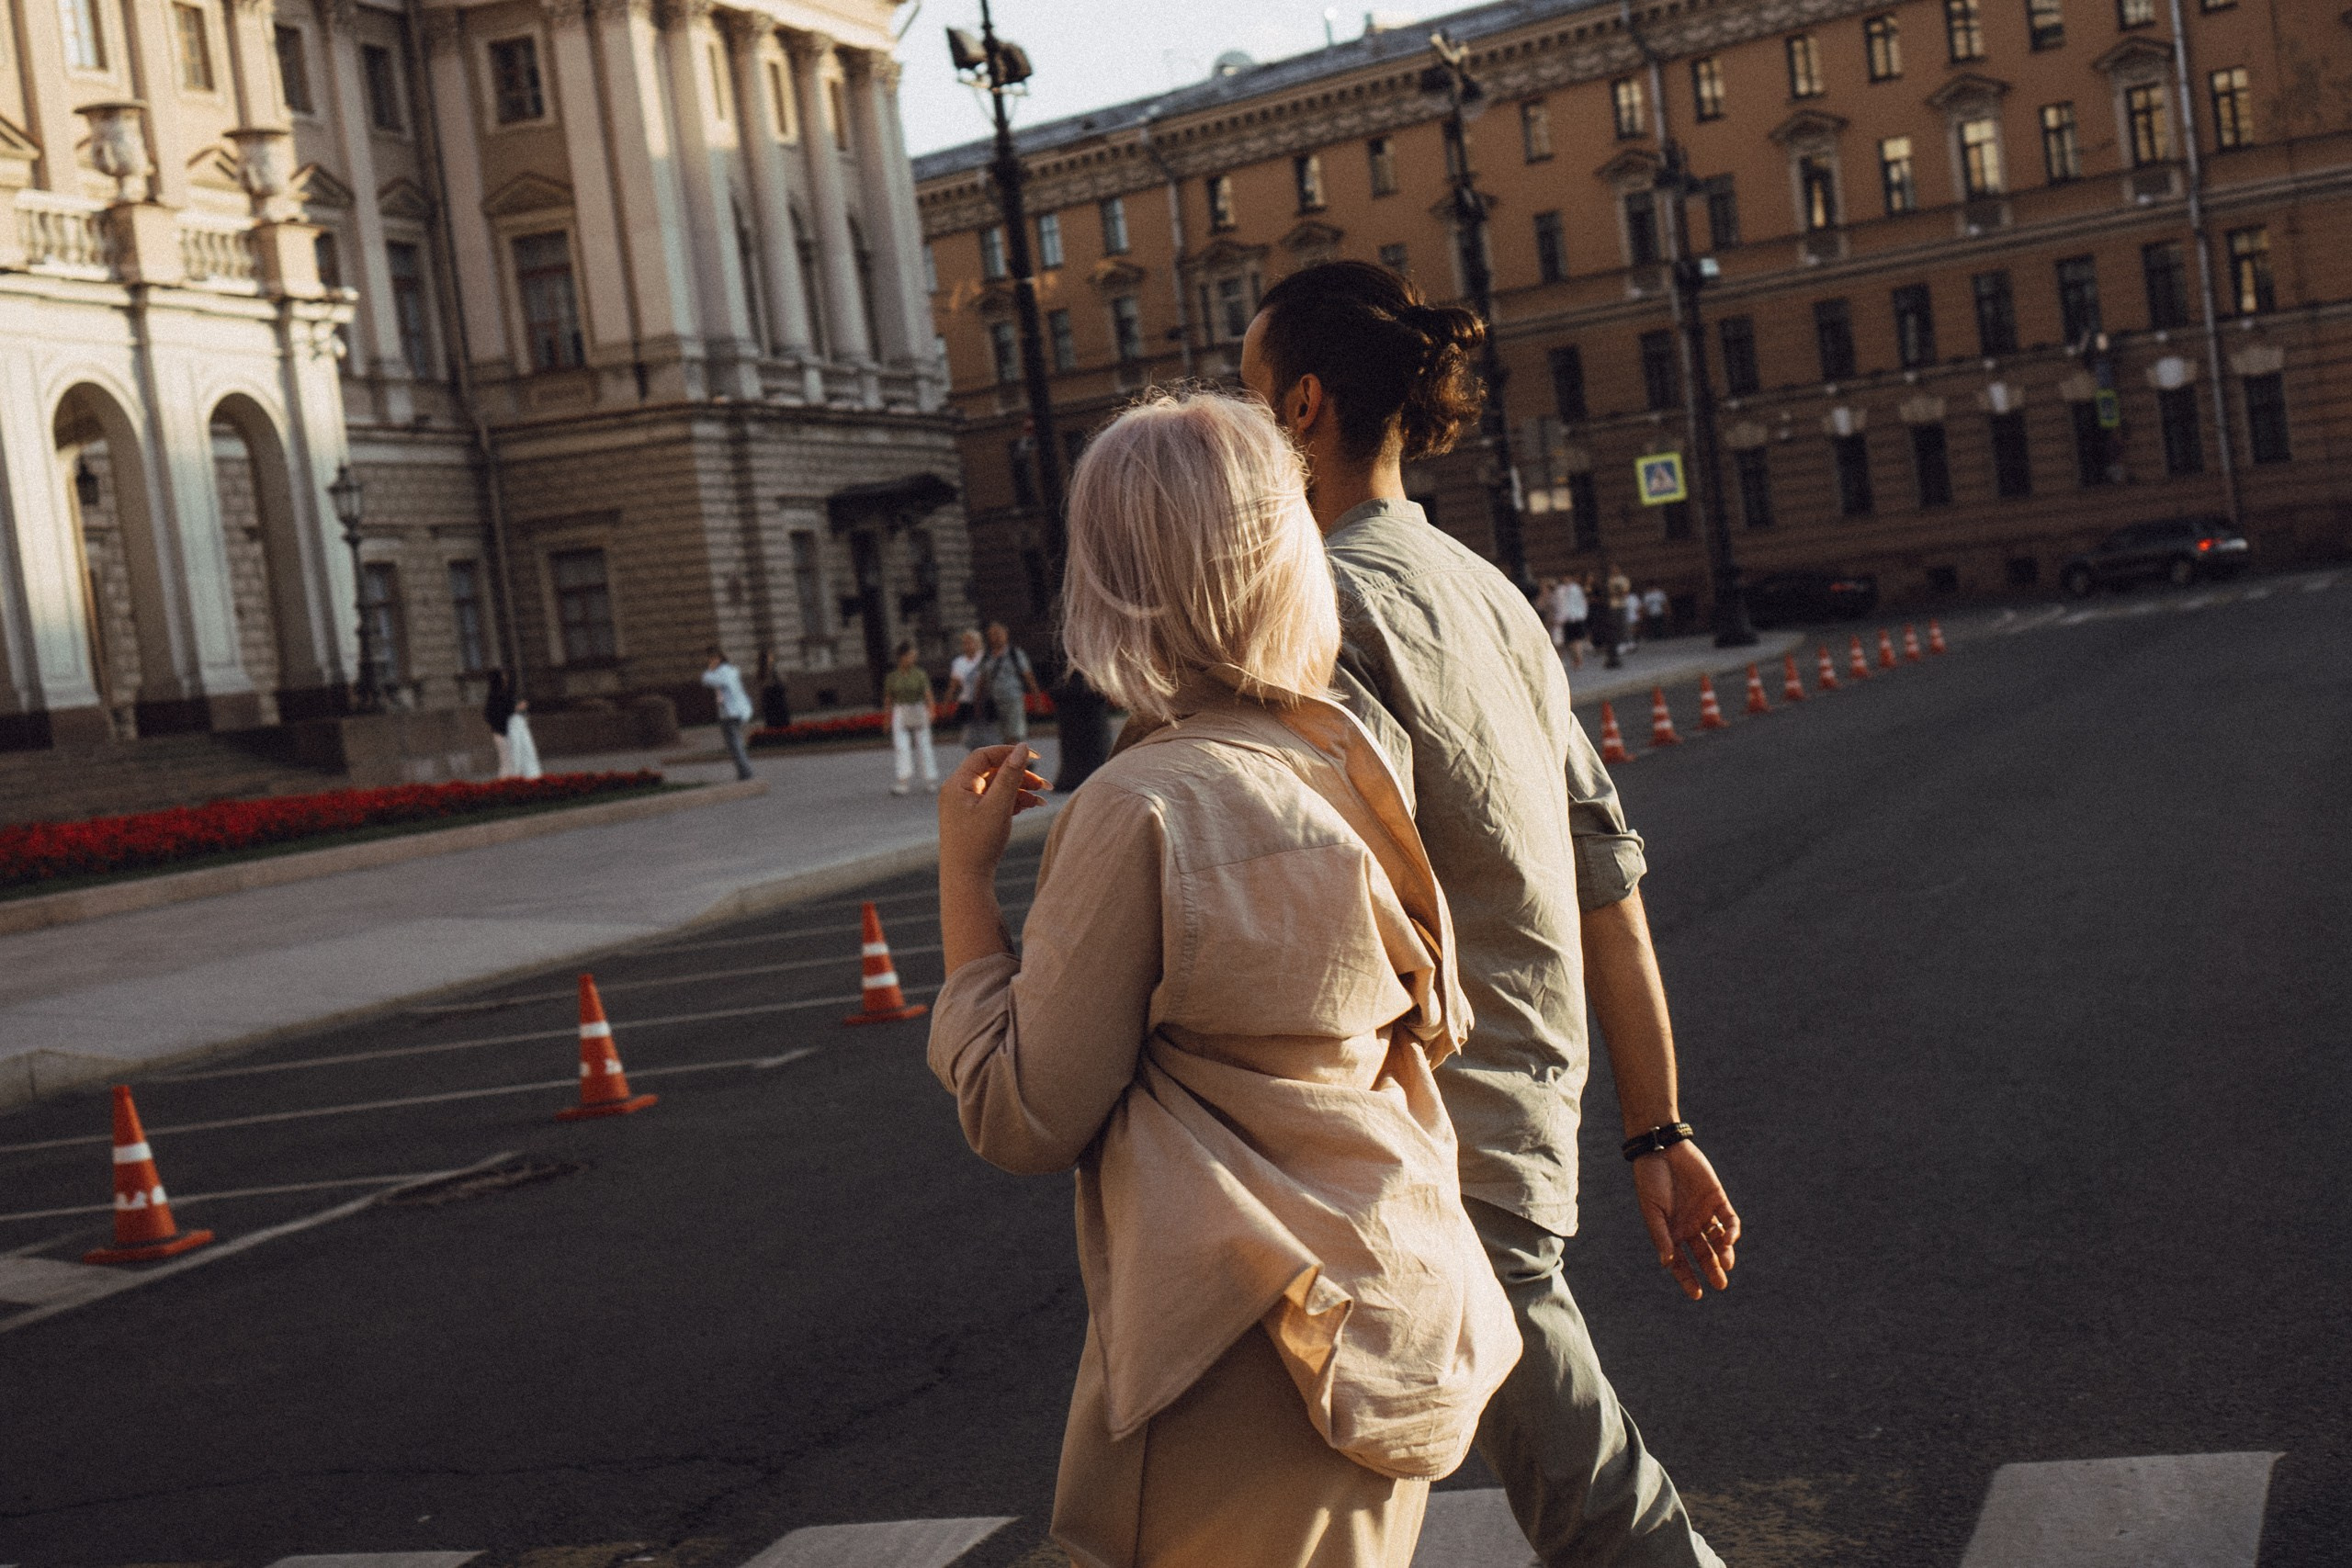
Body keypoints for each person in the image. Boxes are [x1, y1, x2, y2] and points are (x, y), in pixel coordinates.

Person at [931, 388, 1518, 1568]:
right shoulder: (1347, 760)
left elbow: (1023, 1113)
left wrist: (962, 880)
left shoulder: (1139, 808)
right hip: (1384, 1302)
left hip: (1232, 1348)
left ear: (1113, 581)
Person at [1241, 259, 1739, 1568]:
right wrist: (1657, 1126)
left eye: (1246, 397)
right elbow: (1608, 882)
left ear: (1300, 405)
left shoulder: (1326, 611)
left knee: (1603, 1517)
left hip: (1422, 1143)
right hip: (1521, 1110)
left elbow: (1324, 909)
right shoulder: (1493, 594)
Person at [881, 640, 939, 796]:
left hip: (918, 709)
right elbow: (888, 699)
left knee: (924, 744)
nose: (913, 658)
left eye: (914, 655)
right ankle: (903, 781)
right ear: (902, 657)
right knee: (901, 746)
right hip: (900, 710)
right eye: (910, 655)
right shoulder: (892, 677)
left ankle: (930, 780)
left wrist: (932, 710)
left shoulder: (920, 674)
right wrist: (887, 719)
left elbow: (928, 694)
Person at [976, 621, 1039, 747]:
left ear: (1006, 634)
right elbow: (981, 681)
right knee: (1000, 736)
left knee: (1015, 734)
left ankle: (1018, 761)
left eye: (999, 633)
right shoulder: (987, 657)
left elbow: (1028, 677)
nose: (997, 637)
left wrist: (1036, 698)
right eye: (993, 634)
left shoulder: (1015, 654)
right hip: (994, 701)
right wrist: (978, 703)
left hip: (1013, 698)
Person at [702, 648, 756, 782]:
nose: (709, 662)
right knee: (736, 742)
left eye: (711, 659)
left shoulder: (722, 672)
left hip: (729, 713)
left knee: (734, 744)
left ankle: (745, 772)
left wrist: (710, 669)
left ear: (717, 659)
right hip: (738, 711)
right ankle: (745, 771)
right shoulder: (732, 670)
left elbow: (707, 680)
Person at [948, 627, 988, 750]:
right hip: (967, 702)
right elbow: (954, 684)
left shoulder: (985, 659)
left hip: (984, 701)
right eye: (965, 642)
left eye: (970, 642)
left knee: (987, 734)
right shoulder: (959, 662)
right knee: (969, 738)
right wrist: (947, 700)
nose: (967, 645)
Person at [481, 669, 516, 777]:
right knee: (507, 760)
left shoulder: (500, 694)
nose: (506, 678)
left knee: (510, 760)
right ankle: (505, 785)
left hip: (503, 731)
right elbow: (494, 713)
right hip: (503, 731)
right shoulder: (497, 696)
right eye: (503, 676)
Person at [504, 693, 542, 780]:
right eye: (522, 703)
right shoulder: (513, 721)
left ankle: (532, 776)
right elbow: (515, 749)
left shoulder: (521, 719)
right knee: (517, 753)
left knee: (529, 752)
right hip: (514, 725)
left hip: (521, 724)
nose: (525, 705)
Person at [756, 647, 792, 732]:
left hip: (773, 696)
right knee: (777, 718)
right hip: (774, 696)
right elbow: (781, 680)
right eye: (770, 656)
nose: (772, 657)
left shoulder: (766, 669)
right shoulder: (768, 669)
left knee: (776, 718)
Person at [1557, 575, 1589, 671]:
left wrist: (1582, 614)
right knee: (1572, 641)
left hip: (1575, 617)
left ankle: (1578, 659)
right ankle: (1576, 659)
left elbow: (1581, 602)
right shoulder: (1562, 590)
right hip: (1569, 618)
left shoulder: (1575, 589)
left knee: (1576, 641)